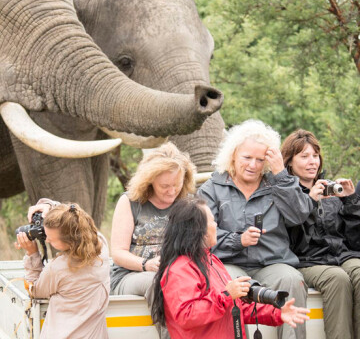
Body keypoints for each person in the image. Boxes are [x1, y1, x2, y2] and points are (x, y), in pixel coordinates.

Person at [198, 119, 313, 339]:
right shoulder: (211, 189)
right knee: (230, 284)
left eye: (260, 160)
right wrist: (237, 240)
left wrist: (281, 174)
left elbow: (299, 215)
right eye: (247, 158)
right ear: (233, 154)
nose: (253, 165)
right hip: (229, 264)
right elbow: (203, 236)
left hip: (273, 263)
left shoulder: (277, 184)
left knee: (292, 279)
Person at [151, 197, 310, 339]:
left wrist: (277, 313)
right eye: (212, 221)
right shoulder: (180, 269)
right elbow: (187, 315)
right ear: (198, 230)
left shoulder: (212, 261)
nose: (216, 225)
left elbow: (235, 309)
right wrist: (227, 295)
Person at [110, 142, 195, 337]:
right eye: (164, 186)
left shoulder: (187, 203)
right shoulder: (130, 202)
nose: (172, 191)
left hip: (178, 274)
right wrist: (146, 264)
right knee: (158, 281)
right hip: (131, 275)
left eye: (177, 184)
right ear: (149, 181)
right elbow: (118, 253)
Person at [281, 129, 360, 339]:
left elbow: (353, 241)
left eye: (315, 156)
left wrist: (351, 202)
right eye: (304, 156)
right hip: (307, 261)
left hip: (341, 256)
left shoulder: (332, 191)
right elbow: (296, 241)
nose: (312, 162)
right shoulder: (287, 195)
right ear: (289, 162)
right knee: (338, 278)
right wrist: (310, 202)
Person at [15, 202, 110, 339]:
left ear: (70, 242)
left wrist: (32, 253)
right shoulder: (102, 250)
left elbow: (35, 290)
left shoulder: (58, 268)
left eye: (51, 239)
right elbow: (74, 216)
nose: (46, 240)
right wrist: (52, 208)